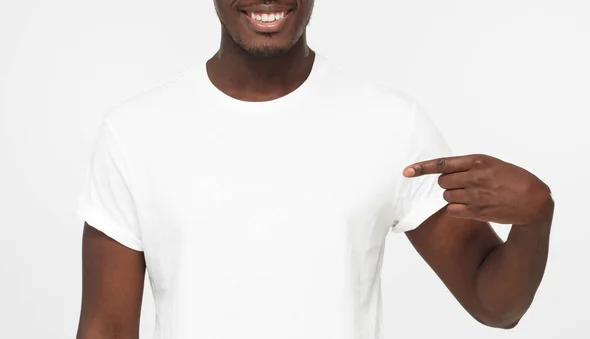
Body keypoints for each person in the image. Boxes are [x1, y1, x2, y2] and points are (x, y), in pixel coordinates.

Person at [75, 1, 555, 338]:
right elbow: (107, 329)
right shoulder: (134, 132)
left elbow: (496, 306)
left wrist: (536, 219)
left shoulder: (390, 123)